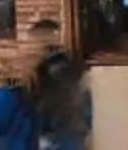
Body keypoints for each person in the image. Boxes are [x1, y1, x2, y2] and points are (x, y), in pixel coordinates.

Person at [27, 19, 90, 150]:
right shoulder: (67, 62)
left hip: (59, 134)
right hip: (70, 131)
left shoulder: (55, 67)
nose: (34, 43)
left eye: (37, 37)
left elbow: (52, 101)